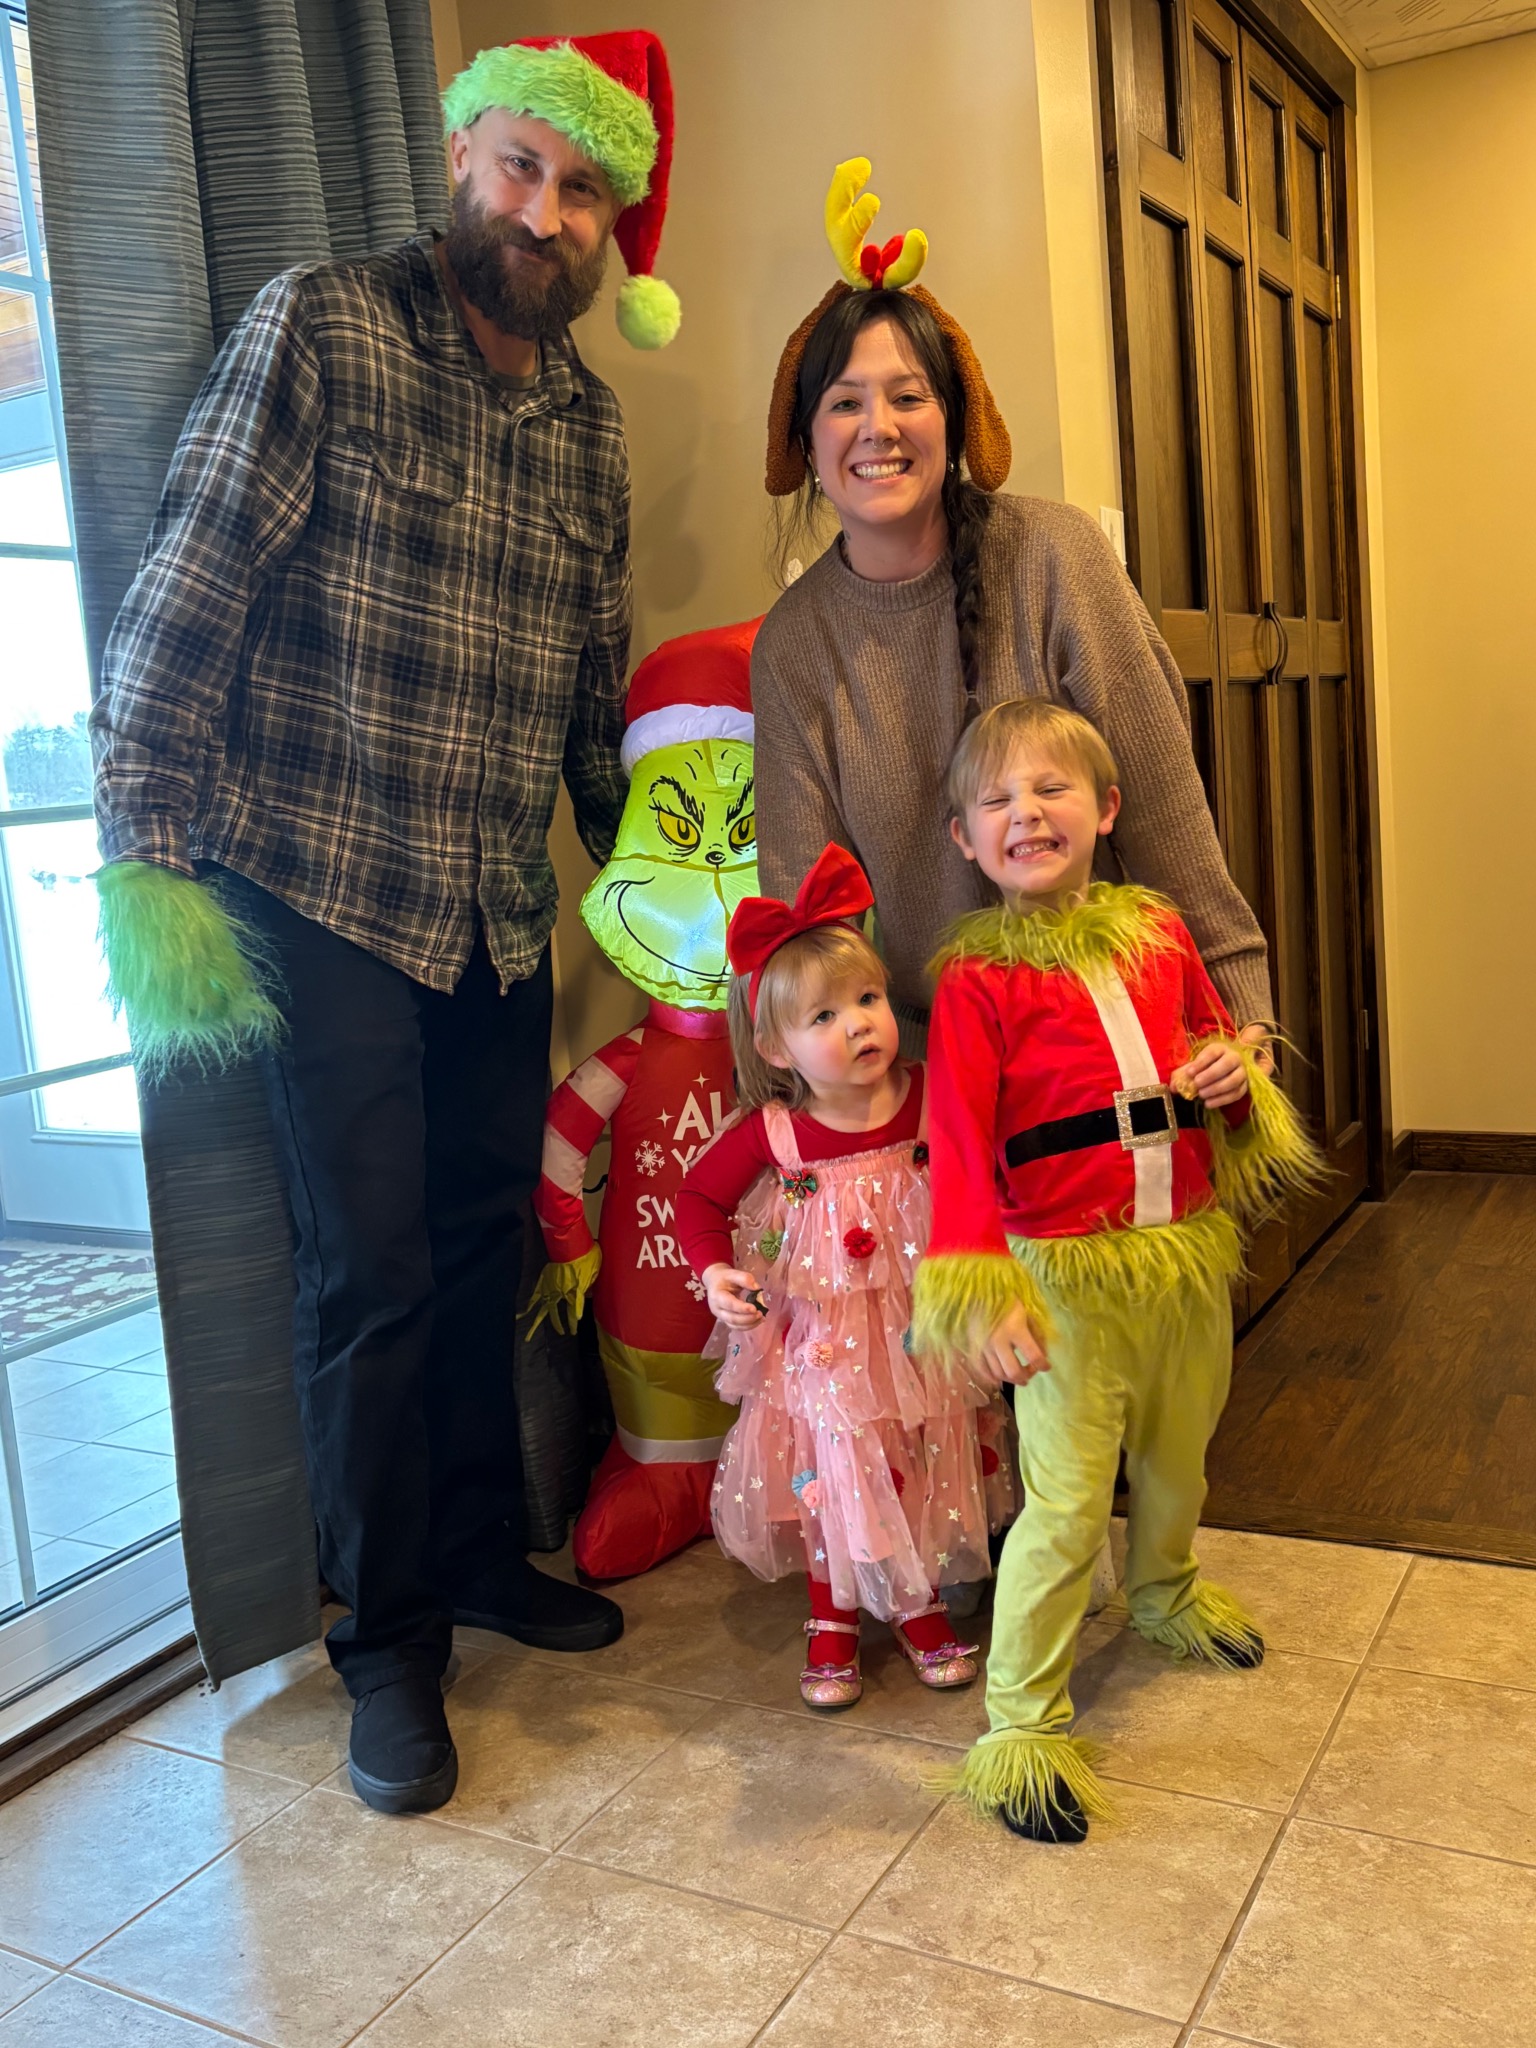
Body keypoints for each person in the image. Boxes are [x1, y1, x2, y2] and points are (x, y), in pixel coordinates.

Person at [90, 32, 683, 1817]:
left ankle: (486, 1551)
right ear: (461, 159)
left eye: (583, 192)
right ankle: (389, 1643)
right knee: (369, 1276)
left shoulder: (589, 425)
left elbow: (594, 694)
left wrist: (662, 901)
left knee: (485, 1243)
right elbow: (190, 581)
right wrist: (146, 843)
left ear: (609, 232)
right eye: (522, 167)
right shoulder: (322, 327)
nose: (544, 212)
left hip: (497, 908)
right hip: (324, 885)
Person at [911, 698, 1322, 1844]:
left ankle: (1165, 1587)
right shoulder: (976, 981)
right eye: (997, 798)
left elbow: (1220, 1054)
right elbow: (957, 1144)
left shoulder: (1164, 934)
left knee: (1183, 1453)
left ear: (1107, 808)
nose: (1026, 812)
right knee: (1067, 1498)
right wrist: (982, 1292)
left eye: (1051, 787)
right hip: (1062, 1279)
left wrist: (1237, 1073)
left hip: (1183, 1255)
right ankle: (1021, 1720)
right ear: (963, 838)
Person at [753, 157, 1274, 1054]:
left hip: (1117, 1038)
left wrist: (1242, 1020)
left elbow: (1165, 817)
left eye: (909, 397)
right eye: (844, 404)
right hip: (936, 1064)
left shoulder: (1055, 557)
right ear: (804, 439)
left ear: (955, 421)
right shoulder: (794, 645)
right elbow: (807, 922)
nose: (879, 428)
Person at [677, 844, 1017, 1711]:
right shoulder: (775, 1131)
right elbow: (698, 1199)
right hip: (823, 1349)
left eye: (868, 1000)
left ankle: (919, 1602)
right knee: (840, 1464)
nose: (859, 1024)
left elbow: (988, 1166)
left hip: (924, 1337)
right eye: (824, 1016)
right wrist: (715, 1271)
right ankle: (830, 1612)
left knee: (925, 1453)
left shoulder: (930, 1095)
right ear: (775, 1046)